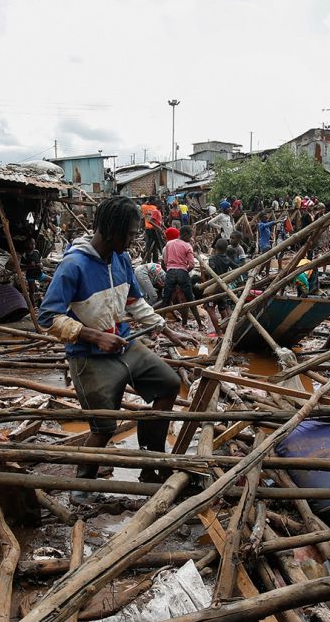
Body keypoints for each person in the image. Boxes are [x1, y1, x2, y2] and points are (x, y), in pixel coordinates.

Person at [38, 198, 188, 483]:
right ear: (110, 231)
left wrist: (163, 327)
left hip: (124, 343)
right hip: (88, 355)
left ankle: (152, 460)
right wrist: (93, 336)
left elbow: (134, 299)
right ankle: (82, 483)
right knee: (104, 426)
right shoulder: (73, 265)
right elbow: (47, 317)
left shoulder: (121, 258)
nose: (133, 241)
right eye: (130, 234)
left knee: (168, 384)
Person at [163, 226, 209, 331]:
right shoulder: (187, 246)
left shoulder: (169, 244)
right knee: (190, 299)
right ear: (186, 235)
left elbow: (165, 261)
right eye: (190, 236)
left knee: (166, 299)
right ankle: (200, 325)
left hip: (170, 272)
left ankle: (160, 325)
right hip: (182, 272)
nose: (191, 238)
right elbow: (192, 265)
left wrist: (172, 269)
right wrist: (184, 271)